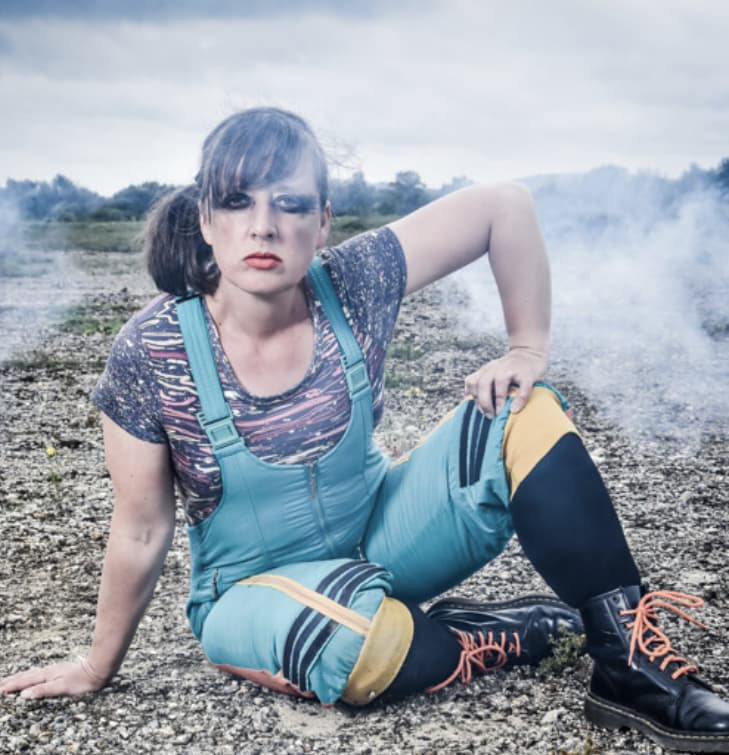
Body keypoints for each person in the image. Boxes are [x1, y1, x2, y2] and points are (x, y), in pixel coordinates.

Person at [1, 107, 728, 753]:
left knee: (523, 408)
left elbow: (504, 207)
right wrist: (96, 666)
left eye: (289, 203)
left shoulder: (353, 281)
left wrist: (524, 349)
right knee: (351, 647)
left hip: (382, 536)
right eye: (237, 200)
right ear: (204, 219)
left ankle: (628, 662)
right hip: (253, 592)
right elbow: (139, 528)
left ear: (321, 223)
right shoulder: (150, 350)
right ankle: (504, 633)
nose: (264, 224)